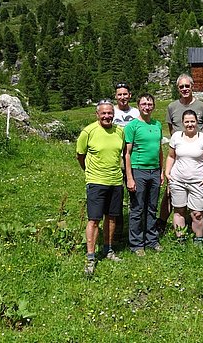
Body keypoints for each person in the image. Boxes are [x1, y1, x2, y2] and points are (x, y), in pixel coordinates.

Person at [76, 99, 125, 275]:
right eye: (103, 113)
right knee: (94, 219)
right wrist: (89, 173)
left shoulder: (120, 132)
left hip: (116, 181)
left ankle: (108, 249)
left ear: (114, 114)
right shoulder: (88, 132)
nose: (107, 116)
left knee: (111, 217)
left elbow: (123, 153)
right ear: (97, 114)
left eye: (109, 113)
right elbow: (80, 155)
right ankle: (90, 257)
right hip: (96, 181)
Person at [158, 74, 203, 234]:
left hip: (197, 159)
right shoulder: (172, 107)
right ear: (178, 89)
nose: (184, 89)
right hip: (178, 155)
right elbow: (171, 130)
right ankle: (162, 222)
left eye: (187, 86)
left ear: (192, 86)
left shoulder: (202, 106)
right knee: (170, 193)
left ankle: (202, 226)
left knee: (201, 197)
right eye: (181, 87)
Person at [164, 110, 203, 245]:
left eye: (192, 121)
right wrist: (167, 173)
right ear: (182, 123)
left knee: (197, 213)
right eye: (187, 121)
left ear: (197, 122)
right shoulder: (176, 137)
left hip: (198, 180)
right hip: (178, 180)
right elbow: (171, 156)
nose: (190, 124)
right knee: (179, 210)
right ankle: (181, 238)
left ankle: (198, 239)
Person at [125, 93, 164, 257]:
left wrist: (161, 171)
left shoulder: (157, 125)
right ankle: (136, 244)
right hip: (138, 170)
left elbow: (160, 150)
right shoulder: (132, 126)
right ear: (138, 106)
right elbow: (127, 153)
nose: (146, 107)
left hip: (154, 171)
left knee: (152, 207)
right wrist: (129, 177)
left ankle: (152, 240)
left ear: (153, 106)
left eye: (149, 104)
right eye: (143, 104)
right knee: (137, 208)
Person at [112, 82, 140, 243]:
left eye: (125, 94)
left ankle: (134, 229)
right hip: (115, 159)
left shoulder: (136, 113)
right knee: (117, 195)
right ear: (116, 96)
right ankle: (117, 232)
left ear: (130, 95)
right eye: (119, 94)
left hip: (133, 157)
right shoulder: (111, 111)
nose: (122, 97)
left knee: (134, 194)